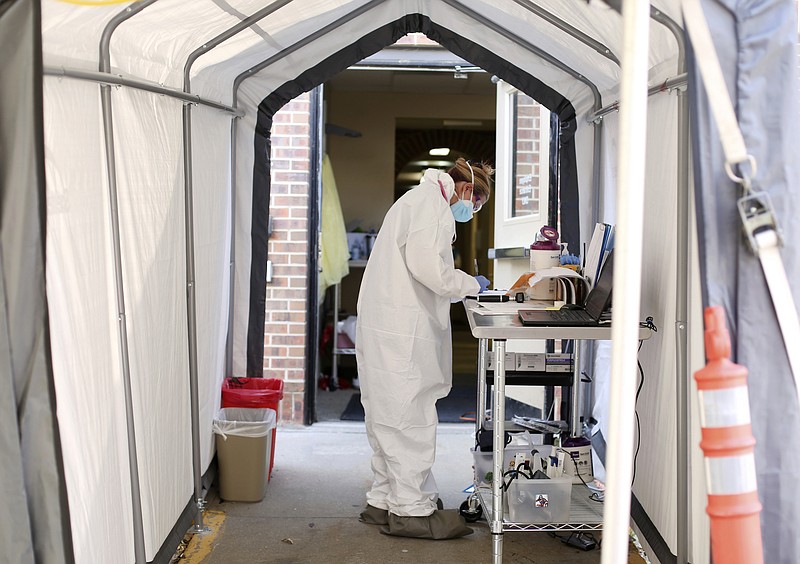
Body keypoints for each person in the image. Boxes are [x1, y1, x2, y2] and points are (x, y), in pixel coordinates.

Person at [355, 158, 493, 539]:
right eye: (476, 204)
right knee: (409, 417)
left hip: (385, 325)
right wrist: (471, 284)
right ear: (467, 191)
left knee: (385, 415)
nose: (471, 211)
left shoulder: (414, 200)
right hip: (402, 330)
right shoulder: (433, 207)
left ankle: (383, 502)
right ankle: (412, 512)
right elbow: (429, 269)